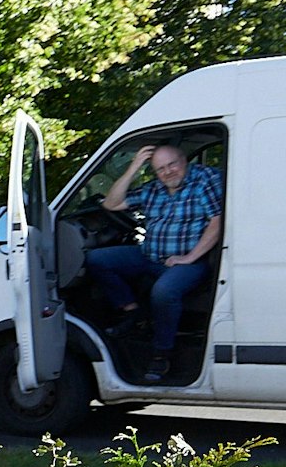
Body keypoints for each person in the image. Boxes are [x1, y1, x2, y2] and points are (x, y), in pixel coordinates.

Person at [86, 144, 224, 382]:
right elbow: (111, 204)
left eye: (172, 164)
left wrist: (189, 258)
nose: (168, 172)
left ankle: (162, 353)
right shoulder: (153, 188)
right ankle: (133, 312)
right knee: (96, 259)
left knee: (164, 291)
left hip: (191, 261)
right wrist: (133, 168)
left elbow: (217, 221)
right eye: (160, 168)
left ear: (185, 161)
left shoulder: (204, 179)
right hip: (149, 255)